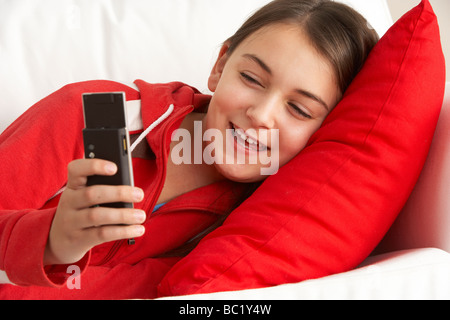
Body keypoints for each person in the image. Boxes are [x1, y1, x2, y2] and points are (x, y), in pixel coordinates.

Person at [0, 0, 378, 299]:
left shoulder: (246, 230)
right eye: (251, 78)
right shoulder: (94, 111)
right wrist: (49, 242)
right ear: (220, 65)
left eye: (299, 109)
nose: (260, 114)